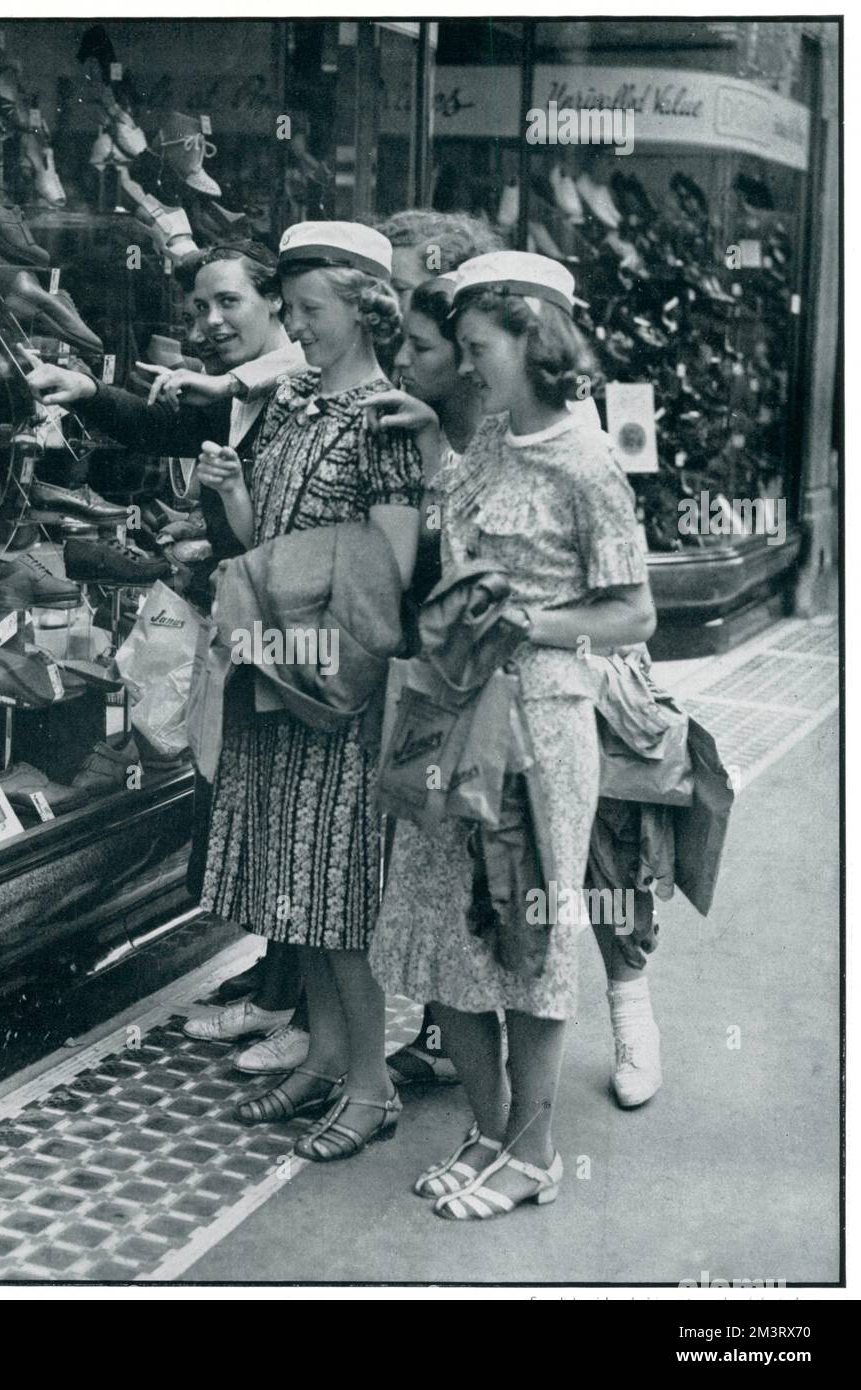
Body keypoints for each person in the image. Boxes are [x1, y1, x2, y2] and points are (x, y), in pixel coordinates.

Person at [369, 251, 656, 1217]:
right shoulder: (489, 437)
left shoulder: (588, 462)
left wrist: (534, 622)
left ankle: (532, 1157)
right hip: (454, 711)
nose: (466, 362)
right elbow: (454, 533)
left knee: (527, 935)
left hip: (541, 726)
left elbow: (635, 613)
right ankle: (487, 1133)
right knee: (444, 928)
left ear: (534, 340)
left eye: (480, 346)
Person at [20, 241, 309, 1041]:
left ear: (279, 303)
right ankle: (282, 971)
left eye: (228, 304)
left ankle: (298, 994)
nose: (209, 323)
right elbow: (165, 424)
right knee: (254, 800)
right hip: (250, 617)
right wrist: (87, 391)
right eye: (198, 310)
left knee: (278, 804)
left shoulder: (291, 382)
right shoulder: (246, 392)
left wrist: (209, 548)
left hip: (286, 632)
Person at [196, 221, 423, 1161]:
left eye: (311, 312)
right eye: (288, 311)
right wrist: (233, 498)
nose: (297, 329)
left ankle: (372, 1087)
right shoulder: (289, 400)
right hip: (276, 670)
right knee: (297, 894)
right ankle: (326, 1058)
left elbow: (396, 573)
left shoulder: (386, 419)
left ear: (367, 310)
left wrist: (286, 589)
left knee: (338, 901)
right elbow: (261, 542)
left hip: (336, 692)